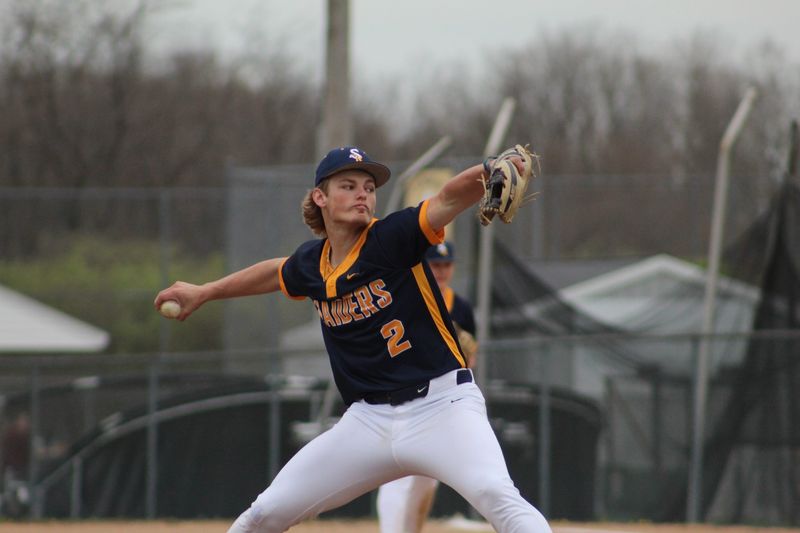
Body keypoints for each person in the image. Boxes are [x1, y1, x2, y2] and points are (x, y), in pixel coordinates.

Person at [154, 146, 551, 533]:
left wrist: (488, 169)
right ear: (320, 197)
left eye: (369, 187)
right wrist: (205, 291)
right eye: (348, 185)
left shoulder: (391, 238)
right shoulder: (312, 264)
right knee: (264, 514)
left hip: (441, 406)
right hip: (368, 422)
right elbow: (275, 272)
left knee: (497, 497)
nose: (363, 193)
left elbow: (447, 198)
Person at [376, 241, 478, 533]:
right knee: (397, 475)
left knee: (427, 479)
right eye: (435, 265)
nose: (441, 270)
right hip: (407, 396)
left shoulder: (461, 308)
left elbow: (470, 356)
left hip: (444, 400)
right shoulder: (410, 299)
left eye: (446, 265)